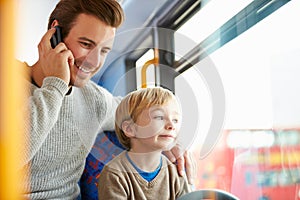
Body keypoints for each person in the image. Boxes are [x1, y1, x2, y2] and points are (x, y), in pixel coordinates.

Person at [19, 0, 195, 199]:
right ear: (54, 35)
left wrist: (173, 142)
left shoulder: (94, 100)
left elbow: (141, 113)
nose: (94, 62)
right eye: (86, 44)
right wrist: (56, 85)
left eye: (104, 51)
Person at [98, 87, 192, 199]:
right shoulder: (114, 174)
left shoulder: (175, 172)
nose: (171, 125)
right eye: (159, 117)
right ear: (130, 129)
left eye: (175, 120)